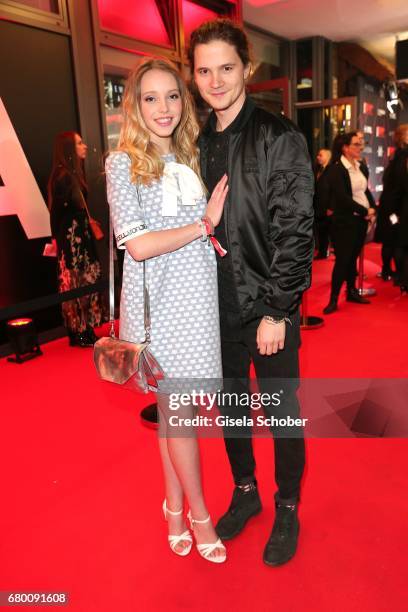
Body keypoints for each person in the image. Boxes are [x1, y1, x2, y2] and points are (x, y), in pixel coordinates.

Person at [189, 19, 314, 567]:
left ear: (247, 68)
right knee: (233, 411)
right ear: (194, 76)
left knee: (283, 412)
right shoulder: (196, 141)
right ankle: (246, 489)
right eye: (204, 69)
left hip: (267, 307)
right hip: (212, 308)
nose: (215, 80)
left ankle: (287, 504)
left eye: (226, 67)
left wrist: (277, 310)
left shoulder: (278, 136)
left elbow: (296, 231)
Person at [105, 58, 229, 563]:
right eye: (151, 98)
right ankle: (200, 516)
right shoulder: (122, 163)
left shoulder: (188, 156)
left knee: (173, 416)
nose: (164, 108)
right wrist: (204, 226)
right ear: (134, 105)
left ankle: (173, 507)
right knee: (181, 419)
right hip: (161, 309)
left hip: (198, 302)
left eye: (173, 96)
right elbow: (135, 245)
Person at [48, 131, 103, 347]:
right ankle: (78, 331)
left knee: (86, 281)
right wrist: (57, 241)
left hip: (80, 237)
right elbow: (56, 214)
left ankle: (85, 329)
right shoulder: (63, 177)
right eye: (80, 143)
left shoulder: (72, 174)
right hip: (72, 241)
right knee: (75, 283)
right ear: (69, 148)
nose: (85, 146)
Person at [323, 132, 377, 314]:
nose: (360, 147)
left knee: (352, 258)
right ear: (345, 148)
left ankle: (352, 291)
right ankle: (333, 299)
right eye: (356, 144)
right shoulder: (337, 168)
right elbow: (343, 198)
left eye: (361, 144)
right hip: (345, 222)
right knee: (343, 261)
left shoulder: (360, 166)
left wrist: (372, 208)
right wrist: (365, 211)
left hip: (361, 220)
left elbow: (364, 191)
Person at [375, 124, 408, 283]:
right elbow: (399, 186)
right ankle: (398, 276)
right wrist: (396, 214)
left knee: (391, 239)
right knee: (396, 239)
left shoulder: (396, 156)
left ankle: (388, 271)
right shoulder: (402, 157)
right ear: (402, 137)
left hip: (391, 207)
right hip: (395, 209)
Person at [314, 148, 332, 259]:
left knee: (329, 231)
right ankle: (322, 252)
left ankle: (327, 251)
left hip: (328, 207)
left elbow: (334, 190)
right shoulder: (317, 169)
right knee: (321, 231)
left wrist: (331, 207)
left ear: (327, 157)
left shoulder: (332, 170)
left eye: (320, 155)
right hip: (318, 206)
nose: (317, 157)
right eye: (317, 155)